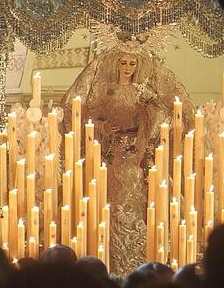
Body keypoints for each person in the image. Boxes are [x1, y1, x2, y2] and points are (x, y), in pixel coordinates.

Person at [63, 38, 194, 275]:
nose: (127, 67)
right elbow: (90, 114)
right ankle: (108, 255)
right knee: (110, 202)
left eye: (132, 63)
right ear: (116, 64)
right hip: (111, 157)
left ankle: (140, 255)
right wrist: (103, 128)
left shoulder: (144, 92)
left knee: (138, 201)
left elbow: (162, 119)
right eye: (123, 62)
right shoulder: (105, 89)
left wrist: (150, 109)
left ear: (138, 66)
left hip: (137, 156)